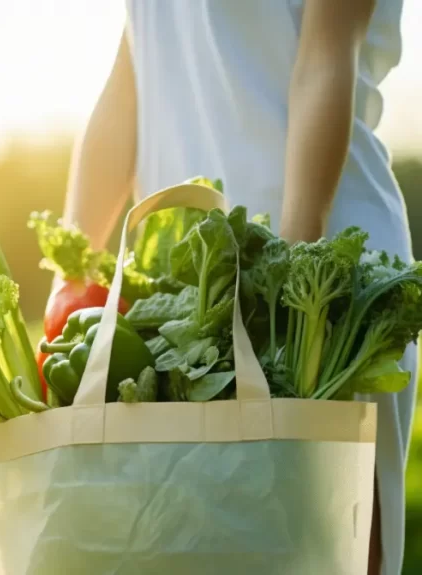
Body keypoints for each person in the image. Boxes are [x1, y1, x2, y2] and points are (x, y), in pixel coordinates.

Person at [55, 1, 412, 573]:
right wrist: (71, 272)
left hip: (318, 275)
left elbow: (326, 55)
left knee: (327, 554)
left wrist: (291, 282)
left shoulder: (305, 282)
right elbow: (129, 81)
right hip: (184, 291)